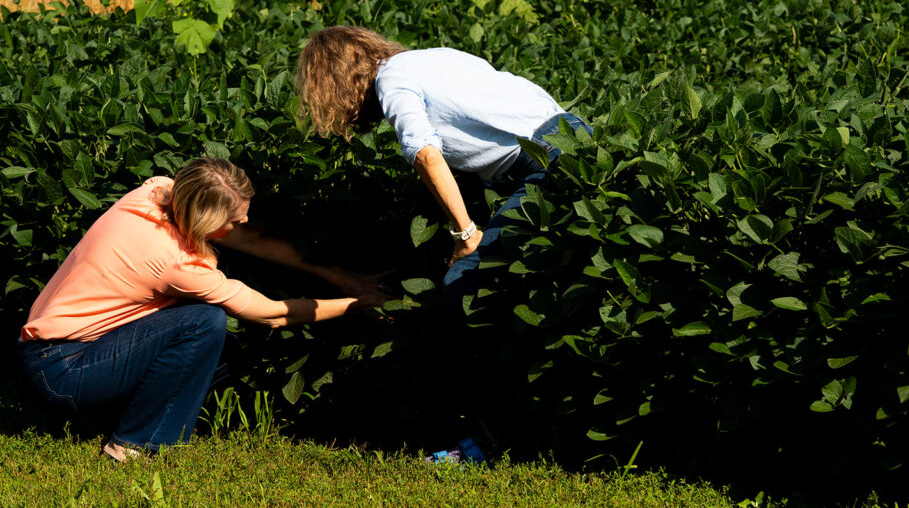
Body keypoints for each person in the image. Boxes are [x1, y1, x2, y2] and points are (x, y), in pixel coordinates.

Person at [16, 157, 384, 462]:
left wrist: (337, 276)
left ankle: (107, 419)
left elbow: (249, 240)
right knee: (204, 323)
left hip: (63, 354)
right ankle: (132, 446)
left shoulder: (157, 192)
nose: (243, 221)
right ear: (207, 218)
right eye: (234, 217)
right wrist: (356, 305)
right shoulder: (175, 263)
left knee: (223, 351)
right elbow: (272, 314)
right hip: (61, 369)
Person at [295, 26, 592, 311]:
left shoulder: (391, 80)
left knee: (463, 285)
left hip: (542, 156)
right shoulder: (433, 57)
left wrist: (465, 234)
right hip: (572, 134)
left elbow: (425, 154)